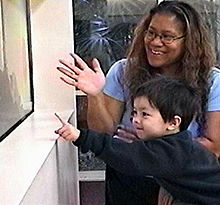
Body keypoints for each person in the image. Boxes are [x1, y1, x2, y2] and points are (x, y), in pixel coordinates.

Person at [57, 1, 220, 204]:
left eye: (167, 37)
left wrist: (144, 150)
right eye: (150, 33)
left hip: (184, 189)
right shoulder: (123, 71)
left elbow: (214, 146)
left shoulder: (213, 81)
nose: (155, 42)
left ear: (189, 41)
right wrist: (95, 94)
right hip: (128, 182)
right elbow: (104, 131)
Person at [55, 76, 220, 205]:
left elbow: (126, 155)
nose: (135, 120)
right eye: (134, 112)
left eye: (145, 114)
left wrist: (80, 136)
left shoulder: (171, 151)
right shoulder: (180, 144)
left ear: (173, 123)